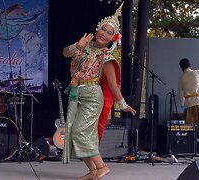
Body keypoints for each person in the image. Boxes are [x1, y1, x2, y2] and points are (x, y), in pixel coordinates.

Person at [62, 3, 136, 180]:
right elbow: (65, 53)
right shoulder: (84, 46)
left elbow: (112, 85)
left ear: (112, 39)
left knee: (81, 132)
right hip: (75, 94)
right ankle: (93, 171)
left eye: (109, 33)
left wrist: (123, 104)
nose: (105, 34)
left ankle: (102, 166)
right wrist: (76, 46)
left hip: (92, 97)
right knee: (74, 133)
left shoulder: (106, 57)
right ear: (97, 30)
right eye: (103, 29)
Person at [178, 58, 199, 154]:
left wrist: (182, 105)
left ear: (181, 68)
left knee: (189, 126)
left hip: (189, 103)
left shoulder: (181, 78)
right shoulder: (197, 72)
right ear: (190, 65)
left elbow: (180, 93)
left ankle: (190, 147)